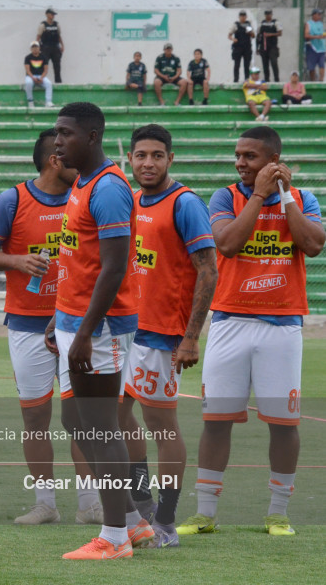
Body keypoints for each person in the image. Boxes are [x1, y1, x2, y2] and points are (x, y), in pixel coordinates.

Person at [177, 126, 325, 538]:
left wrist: (285, 197)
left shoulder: (304, 199)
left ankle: (278, 513)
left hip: (283, 326)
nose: (240, 162)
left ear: (273, 161)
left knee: (284, 424)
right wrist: (259, 196)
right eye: (238, 155)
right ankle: (205, 513)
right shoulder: (225, 197)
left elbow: (314, 245)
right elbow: (226, 244)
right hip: (230, 322)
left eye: (250, 156)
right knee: (216, 420)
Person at [0, 129, 103, 526]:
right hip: (27, 325)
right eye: (70, 156)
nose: (79, 165)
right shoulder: (12, 200)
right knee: (34, 418)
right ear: (55, 160)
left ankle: (90, 504)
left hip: (75, 325)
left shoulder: (86, 197)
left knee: (82, 417)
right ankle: (45, 504)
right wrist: (17, 261)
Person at [48, 102, 152, 560]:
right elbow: (79, 258)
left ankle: (114, 538)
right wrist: (60, 317)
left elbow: (113, 269)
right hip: (75, 320)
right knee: (76, 421)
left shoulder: (108, 188)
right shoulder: (83, 181)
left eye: (66, 133)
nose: (57, 141)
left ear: (91, 136)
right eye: (56, 132)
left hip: (101, 327)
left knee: (102, 428)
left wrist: (86, 332)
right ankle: (133, 521)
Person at [117, 124, 218, 548]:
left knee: (162, 425)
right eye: (141, 155)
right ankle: (143, 506)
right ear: (130, 159)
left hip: (163, 334)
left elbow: (208, 269)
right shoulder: (132, 199)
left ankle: (167, 522)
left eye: (157, 155)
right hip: (128, 328)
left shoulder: (185, 203)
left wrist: (191, 337)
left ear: (170, 159)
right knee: (117, 416)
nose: (148, 163)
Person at [37, 8, 64, 84]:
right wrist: (37, 47)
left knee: (57, 66)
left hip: (55, 47)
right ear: (47, 14)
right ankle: (41, 81)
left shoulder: (56, 25)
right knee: (43, 65)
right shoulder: (43, 25)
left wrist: (62, 45)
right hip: (45, 47)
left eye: (53, 14)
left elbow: (59, 36)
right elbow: (38, 37)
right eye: (51, 14)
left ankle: (58, 82)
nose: (53, 16)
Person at [23, 42, 53, 108]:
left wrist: (41, 78)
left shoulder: (44, 57)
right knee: (28, 83)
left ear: (39, 48)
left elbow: (45, 70)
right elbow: (28, 70)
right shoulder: (27, 57)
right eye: (33, 47)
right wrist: (33, 78)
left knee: (49, 83)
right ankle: (30, 101)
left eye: (36, 47)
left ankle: (48, 102)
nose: (35, 49)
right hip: (30, 76)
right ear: (31, 49)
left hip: (41, 76)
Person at [229, 10, 255, 83]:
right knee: (237, 64)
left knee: (247, 65)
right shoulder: (236, 25)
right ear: (239, 17)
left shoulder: (248, 24)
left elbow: (253, 36)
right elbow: (229, 35)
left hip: (247, 47)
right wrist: (233, 39)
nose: (243, 17)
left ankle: (247, 80)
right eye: (241, 16)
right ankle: (236, 80)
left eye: (244, 16)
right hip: (238, 47)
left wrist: (250, 32)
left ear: (246, 17)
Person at [258, 9, 282, 82]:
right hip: (264, 47)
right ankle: (267, 80)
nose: (268, 16)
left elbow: (280, 33)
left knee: (274, 62)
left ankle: (276, 79)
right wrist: (258, 47)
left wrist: (271, 34)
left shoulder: (276, 22)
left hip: (273, 46)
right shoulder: (262, 23)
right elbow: (258, 35)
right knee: (265, 65)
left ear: (271, 15)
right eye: (267, 14)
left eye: (269, 14)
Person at [305, 9, 326, 82]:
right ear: (314, 15)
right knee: (311, 67)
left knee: (322, 65)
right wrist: (317, 37)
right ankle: (313, 81)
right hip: (312, 47)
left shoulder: (320, 24)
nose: (320, 16)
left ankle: (321, 80)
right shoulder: (309, 24)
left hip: (321, 48)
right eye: (318, 14)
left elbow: (321, 34)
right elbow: (306, 35)